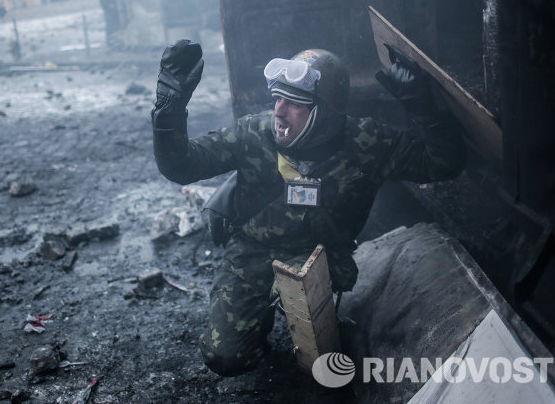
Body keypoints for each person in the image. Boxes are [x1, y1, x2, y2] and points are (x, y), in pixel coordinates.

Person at [151, 39, 466, 377]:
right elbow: (181, 167)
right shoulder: (252, 133)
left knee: (317, 349)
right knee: (226, 358)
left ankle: (308, 319)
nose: (279, 111)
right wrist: (170, 106)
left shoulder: (368, 143)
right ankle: (258, 327)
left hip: (321, 254)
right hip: (251, 250)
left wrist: (422, 105)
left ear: (327, 111)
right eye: (277, 98)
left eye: (295, 103)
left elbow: (443, 164)